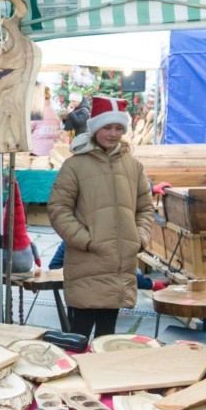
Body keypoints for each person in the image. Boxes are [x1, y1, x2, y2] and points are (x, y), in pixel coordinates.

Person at [49, 95, 154, 339]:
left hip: (119, 269)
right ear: (95, 127)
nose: (113, 134)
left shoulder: (133, 167)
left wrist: (139, 238)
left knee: (108, 339)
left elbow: (145, 208)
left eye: (118, 128)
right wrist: (86, 240)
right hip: (87, 264)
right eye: (107, 127)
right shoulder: (74, 166)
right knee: (79, 336)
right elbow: (58, 208)